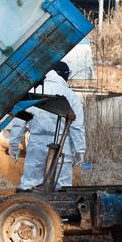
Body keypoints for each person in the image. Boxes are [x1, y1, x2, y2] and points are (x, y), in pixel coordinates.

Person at [9, 61, 86, 189]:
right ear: (64, 75)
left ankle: (29, 208)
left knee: (30, 184)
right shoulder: (70, 95)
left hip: (36, 143)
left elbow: (19, 120)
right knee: (62, 187)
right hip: (63, 145)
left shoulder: (33, 92)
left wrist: (14, 144)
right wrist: (80, 149)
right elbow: (77, 125)